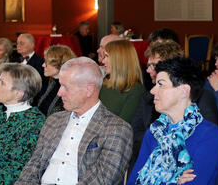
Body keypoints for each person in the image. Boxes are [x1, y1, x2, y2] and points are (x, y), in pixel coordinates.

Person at [13, 57, 133, 185]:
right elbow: (33, 166)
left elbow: (103, 179)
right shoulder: (53, 120)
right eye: (60, 85)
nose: (59, 93)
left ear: (89, 90)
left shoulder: (116, 129)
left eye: (66, 87)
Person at [127, 57, 218, 185]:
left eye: (161, 84)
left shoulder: (210, 136)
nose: (152, 91)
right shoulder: (155, 131)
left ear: (184, 91)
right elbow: (132, 181)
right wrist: (174, 181)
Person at [131, 41, 218, 164]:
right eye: (148, 65)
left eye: (154, 65)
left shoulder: (201, 96)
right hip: (148, 158)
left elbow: (206, 138)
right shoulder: (147, 97)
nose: (148, 70)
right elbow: (135, 132)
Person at [100, 38, 146, 124]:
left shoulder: (135, 90)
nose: (103, 61)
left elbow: (121, 125)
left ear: (119, 60)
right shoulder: (104, 83)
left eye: (107, 56)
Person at [36, 44, 75, 116]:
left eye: (46, 62)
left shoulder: (70, 90)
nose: (43, 65)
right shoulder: (53, 84)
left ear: (59, 64)